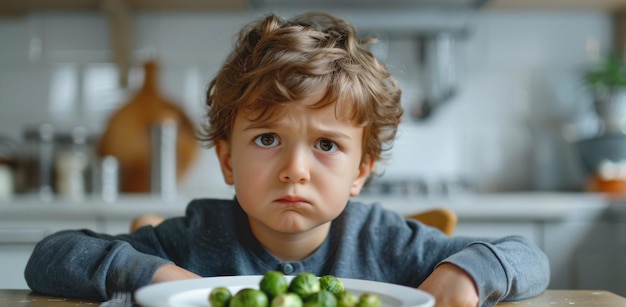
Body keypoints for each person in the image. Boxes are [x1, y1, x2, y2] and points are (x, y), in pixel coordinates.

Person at [24, 12, 549, 307]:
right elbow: (49, 257)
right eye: (268, 140)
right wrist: (154, 277)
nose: (295, 168)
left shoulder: (388, 242)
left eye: (326, 146)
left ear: (359, 173)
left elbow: (528, 256)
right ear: (227, 160)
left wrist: (467, 274)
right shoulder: (194, 236)